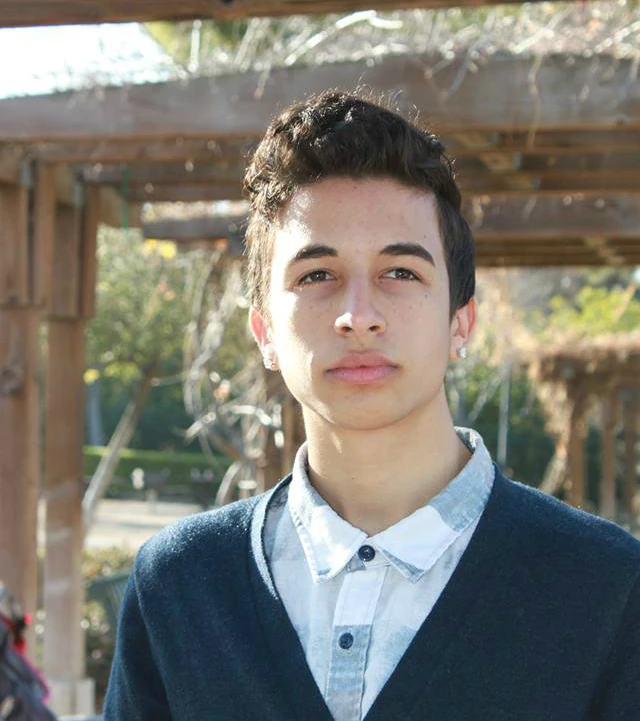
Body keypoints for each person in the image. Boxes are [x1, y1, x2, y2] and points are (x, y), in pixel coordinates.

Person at [104, 92, 640, 721]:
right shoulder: (179, 585)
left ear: (461, 323)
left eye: (401, 272)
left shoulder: (608, 587)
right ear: (264, 332)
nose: (358, 316)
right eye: (316, 275)